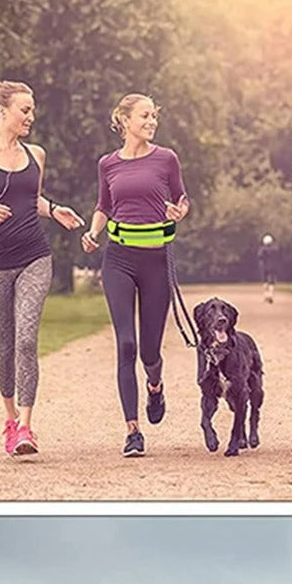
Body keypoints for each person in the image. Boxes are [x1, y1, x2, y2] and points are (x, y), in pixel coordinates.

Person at [0, 80, 84, 458]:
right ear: (2, 111)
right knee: (4, 346)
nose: (31, 116)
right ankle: (9, 420)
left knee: (26, 340)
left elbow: (32, 198)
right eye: (25, 109)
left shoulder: (36, 155)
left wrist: (55, 210)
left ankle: (26, 426)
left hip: (34, 257)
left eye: (32, 109)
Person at [82, 93, 190, 458]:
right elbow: (103, 205)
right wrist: (93, 232)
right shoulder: (108, 164)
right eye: (144, 116)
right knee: (125, 344)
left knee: (149, 351)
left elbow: (182, 199)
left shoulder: (166, 159)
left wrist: (179, 211)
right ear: (125, 120)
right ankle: (132, 431)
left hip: (156, 261)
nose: (151, 121)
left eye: (154, 116)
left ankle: (155, 386)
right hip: (119, 259)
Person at [259, 234, 277, 303]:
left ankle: (266, 295)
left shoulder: (262, 250)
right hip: (273, 267)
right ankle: (270, 295)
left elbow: (260, 258)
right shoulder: (275, 249)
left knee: (265, 281)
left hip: (264, 267)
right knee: (272, 282)